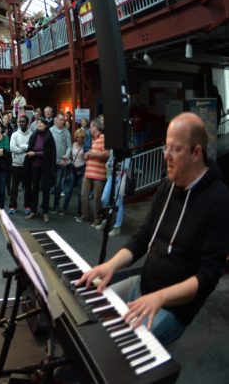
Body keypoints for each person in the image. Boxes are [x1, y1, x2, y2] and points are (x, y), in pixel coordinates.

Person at [79, 113, 229, 345]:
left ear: (196, 153)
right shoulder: (168, 185)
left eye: (175, 150)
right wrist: (110, 265)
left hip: (172, 308)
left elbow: (208, 276)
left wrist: (159, 298)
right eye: (165, 148)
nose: (166, 156)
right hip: (142, 285)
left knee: (117, 346)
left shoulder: (219, 200)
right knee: (86, 311)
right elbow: (143, 237)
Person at [24, 117, 56, 223]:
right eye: (38, 123)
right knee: (35, 189)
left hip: (45, 167)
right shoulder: (34, 135)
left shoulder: (49, 137)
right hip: (34, 165)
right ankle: (34, 211)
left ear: (46, 125)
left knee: (46, 189)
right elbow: (30, 148)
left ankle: (45, 212)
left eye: (41, 123)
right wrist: (31, 153)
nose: (39, 124)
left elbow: (49, 153)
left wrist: (36, 153)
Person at [79, 118, 108, 224]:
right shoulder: (89, 139)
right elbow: (86, 151)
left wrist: (92, 154)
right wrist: (86, 154)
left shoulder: (104, 138)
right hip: (88, 172)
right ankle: (85, 215)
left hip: (99, 174)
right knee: (83, 194)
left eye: (91, 126)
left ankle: (97, 218)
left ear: (95, 127)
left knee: (97, 198)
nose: (89, 128)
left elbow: (106, 154)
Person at [62, 128, 87, 217]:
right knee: (69, 190)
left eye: (81, 137)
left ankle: (79, 212)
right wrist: (66, 158)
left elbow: (86, 159)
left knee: (80, 192)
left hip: (81, 170)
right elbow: (72, 156)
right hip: (73, 169)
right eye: (78, 137)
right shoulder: (74, 144)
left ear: (84, 138)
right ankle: (64, 209)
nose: (79, 139)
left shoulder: (85, 146)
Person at [50, 113, 72, 213]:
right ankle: (45, 205)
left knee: (58, 185)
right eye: (61, 119)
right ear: (56, 120)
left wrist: (66, 157)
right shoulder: (50, 131)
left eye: (63, 120)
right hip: (51, 163)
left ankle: (56, 205)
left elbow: (69, 146)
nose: (62, 121)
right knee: (49, 184)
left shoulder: (66, 131)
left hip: (61, 163)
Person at [9, 115, 31, 214]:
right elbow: (12, 148)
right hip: (16, 164)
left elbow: (31, 148)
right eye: (20, 121)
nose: (22, 123)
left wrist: (20, 147)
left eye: (24, 121)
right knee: (14, 187)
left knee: (27, 187)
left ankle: (27, 206)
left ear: (27, 123)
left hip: (27, 165)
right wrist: (24, 148)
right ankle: (12, 206)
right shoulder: (14, 134)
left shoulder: (31, 134)